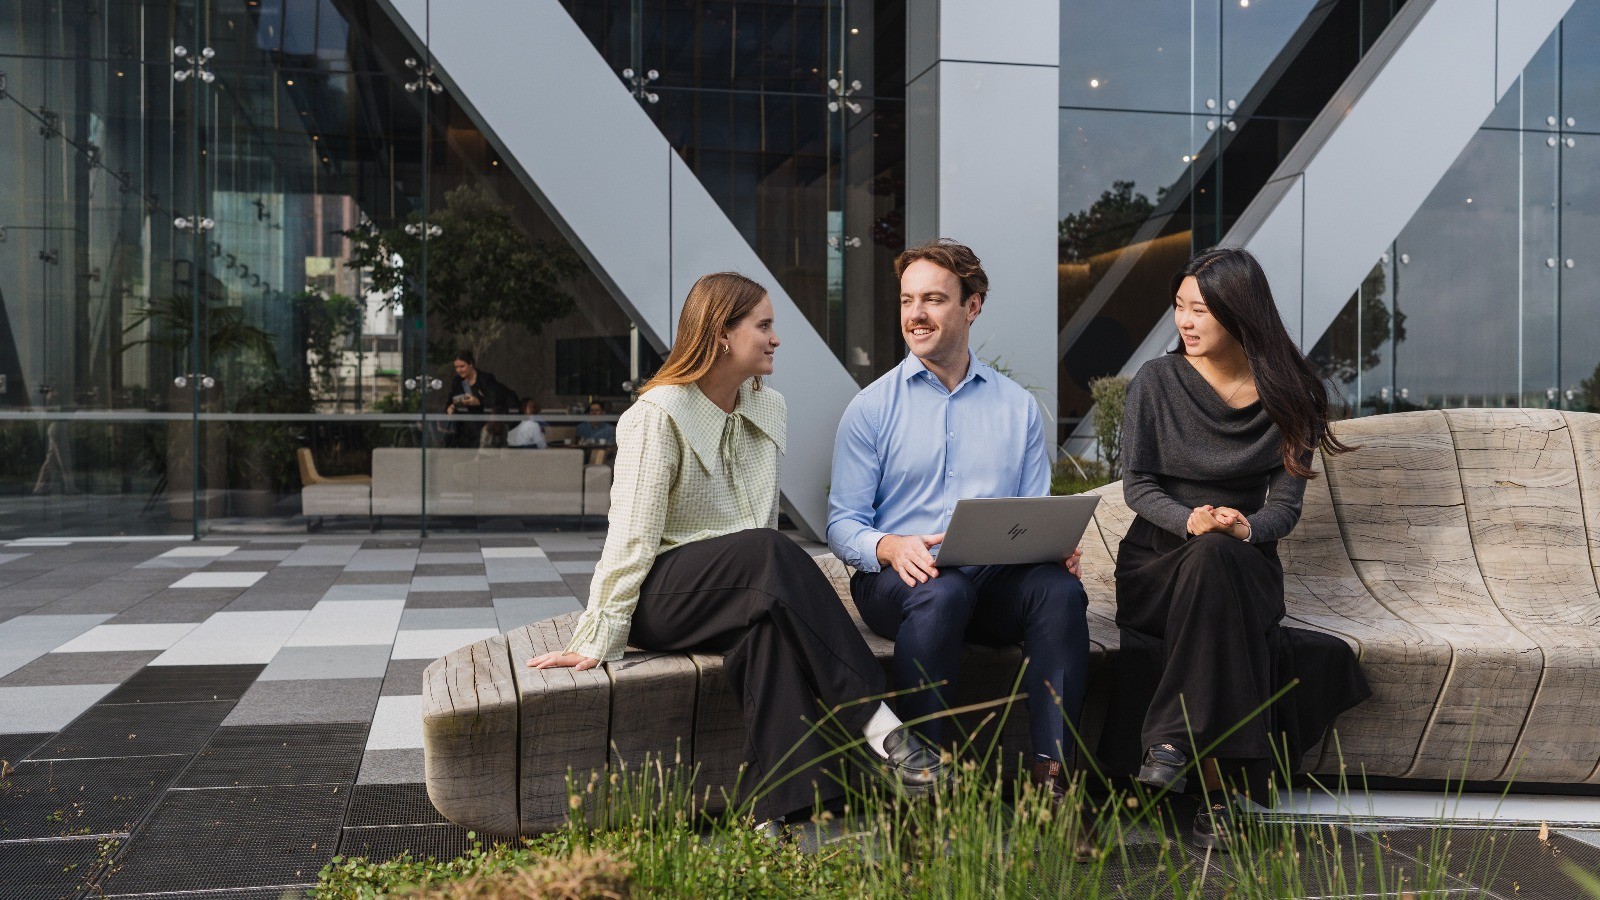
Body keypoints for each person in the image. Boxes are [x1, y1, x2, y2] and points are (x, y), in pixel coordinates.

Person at [529, 272, 944, 832]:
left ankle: (781, 811)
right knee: (769, 552)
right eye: (764, 325)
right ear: (721, 333)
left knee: (767, 635)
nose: (776, 339)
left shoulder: (767, 409)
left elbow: (754, 523)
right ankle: (877, 722)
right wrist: (598, 634)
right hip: (664, 596)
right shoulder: (657, 415)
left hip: (740, 589)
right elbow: (630, 538)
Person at [1114, 246, 1369, 850]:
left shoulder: (1292, 393)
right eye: (1179, 307)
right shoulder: (1156, 382)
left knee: (1218, 561)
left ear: (1240, 312)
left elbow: (1282, 510)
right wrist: (1190, 520)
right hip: (1155, 565)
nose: (1185, 322)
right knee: (1208, 561)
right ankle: (1223, 799)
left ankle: (1172, 738)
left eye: (1200, 309)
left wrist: (1240, 528)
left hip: (1242, 565)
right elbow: (1138, 487)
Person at [826, 239, 1091, 813]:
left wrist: (1053, 548)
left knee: (1059, 590)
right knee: (943, 593)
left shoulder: (1016, 406)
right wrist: (891, 546)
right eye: (907, 300)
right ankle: (922, 782)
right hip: (899, 583)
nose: (915, 314)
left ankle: (1055, 780)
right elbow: (842, 524)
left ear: (973, 306)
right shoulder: (871, 408)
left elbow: (1032, 509)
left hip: (992, 577)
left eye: (934, 300)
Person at [444, 350, 513, 448]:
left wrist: (478, 401)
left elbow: (498, 402)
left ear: (471, 364)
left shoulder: (486, 380)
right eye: (456, 367)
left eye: (462, 366)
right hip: (462, 431)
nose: (459, 370)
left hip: (482, 430)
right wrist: (449, 409)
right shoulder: (457, 381)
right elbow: (450, 401)